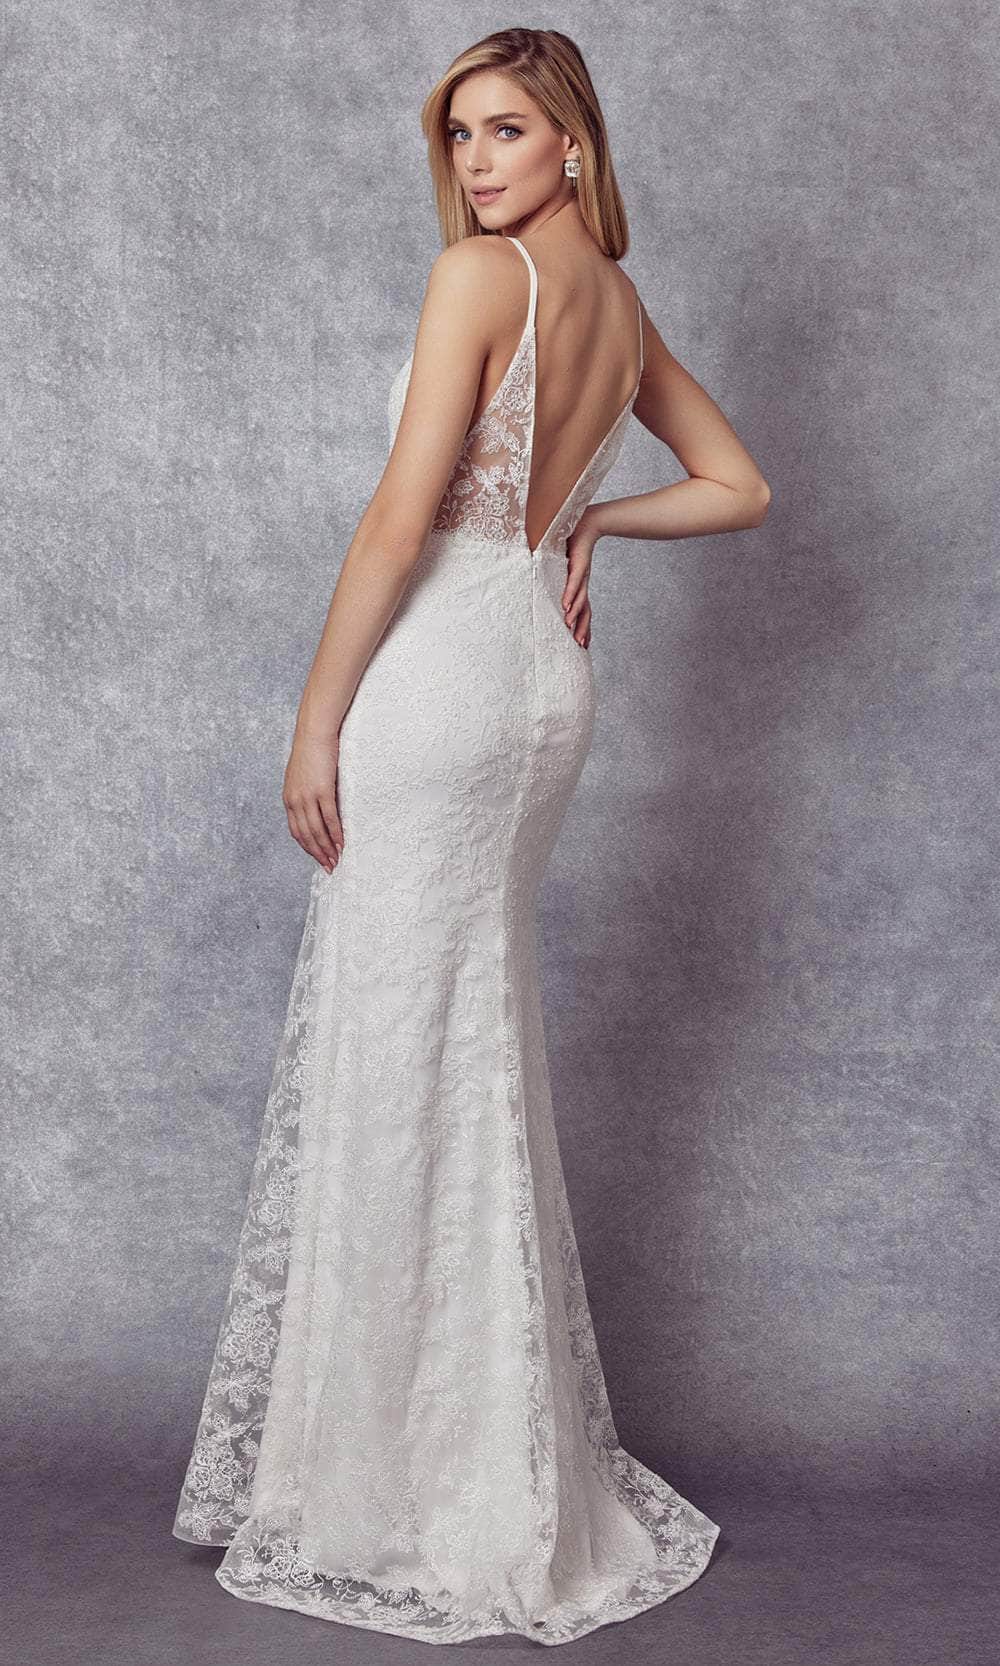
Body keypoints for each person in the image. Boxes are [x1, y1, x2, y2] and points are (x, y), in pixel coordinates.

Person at [172, 25, 769, 1648]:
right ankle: (467, 1457)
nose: (476, 163)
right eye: (458, 137)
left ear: (576, 142)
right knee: (468, 1044)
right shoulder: (620, 310)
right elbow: (739, 485)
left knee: (401, 1053)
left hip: (438, 681)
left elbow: (398, 513)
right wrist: (593, 520)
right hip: (541, 686)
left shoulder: (476, 280)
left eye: (506, 130)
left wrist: (315, 720)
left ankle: (394, 1485)